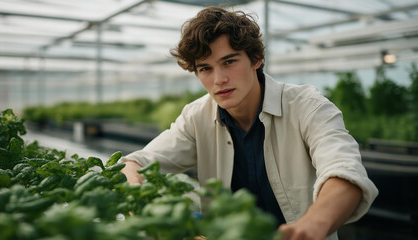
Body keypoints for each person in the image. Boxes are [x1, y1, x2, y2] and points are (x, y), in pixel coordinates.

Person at [120, 6, 378, 240]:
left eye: (229, 62)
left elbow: (345, 172)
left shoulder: (307, 107)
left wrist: (311, 225)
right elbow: (137, 163)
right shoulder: (197, 115)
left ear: (256, 59)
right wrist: (138, 200)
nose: (219, 79)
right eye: (205, 69)